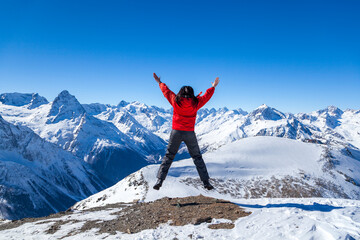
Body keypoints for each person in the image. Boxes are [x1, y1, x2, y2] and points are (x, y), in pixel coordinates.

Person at [152, 72, 220, 190]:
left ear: (180, 93)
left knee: (169, 156)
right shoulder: (196, 103)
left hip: (176, 132)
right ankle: (206, 183)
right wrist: (213, 87)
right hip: (189, 133)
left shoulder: (175, 100)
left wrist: (159, 82)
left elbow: (166, 91)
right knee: (197, 157)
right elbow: (206, 97)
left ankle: (159, 180)